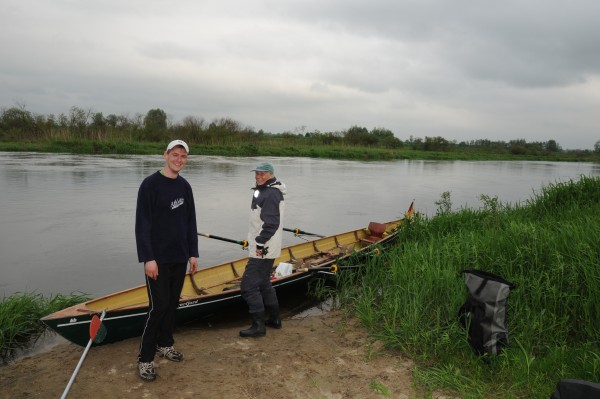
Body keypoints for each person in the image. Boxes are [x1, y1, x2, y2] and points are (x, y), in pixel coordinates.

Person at [134, 139, 199, 381]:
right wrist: (148, 258)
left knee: (172, 304)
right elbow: (142, 225)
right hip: (157, 260)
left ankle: (165, 344)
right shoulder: (150, 185)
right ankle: (145, 358)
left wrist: (193, 252)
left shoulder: (185, 187)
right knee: (158, 306)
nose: (178, 159)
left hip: (180, 256)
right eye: (175, 154)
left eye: (183, 156)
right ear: (165, 155)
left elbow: (190, 222)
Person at [239, 162, 287, 337]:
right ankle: (274, 319)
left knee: (248, 286)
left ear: (271, 174)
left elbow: (271, 223)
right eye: (257, 173)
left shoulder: (271, 193)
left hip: (264, 247)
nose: (258, 176)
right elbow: (259, 219)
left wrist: (259, 242)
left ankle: (258, 326)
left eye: (263, 174)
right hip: (266, 246)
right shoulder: (264, 190)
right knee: (264, 282)